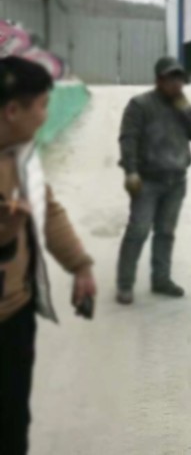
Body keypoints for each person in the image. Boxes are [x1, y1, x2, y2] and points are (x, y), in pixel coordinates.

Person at [0, 57, 96, 455]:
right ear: (13, 110)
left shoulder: (19, 155)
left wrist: (80, 266)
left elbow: (47, 210)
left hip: (16, 314)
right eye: (42, 105)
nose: (45, 116)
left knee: (12, 419)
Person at [116, 57, 191, 304]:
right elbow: (128, 139)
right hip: (147, 181)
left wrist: (185, 108)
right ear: (159, 80)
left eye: (179, 78)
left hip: (176, 181)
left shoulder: (182, 106)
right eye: (171, 78)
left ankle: (161, 279)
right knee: (138, 230)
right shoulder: (140, 105)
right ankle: (124, 284)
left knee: (166, 232)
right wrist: (130, 171)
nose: (176, 83)